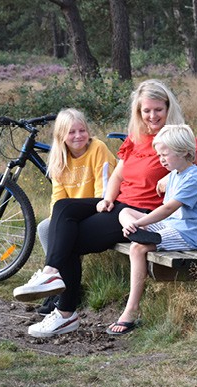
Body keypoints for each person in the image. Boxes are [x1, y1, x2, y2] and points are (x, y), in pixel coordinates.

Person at [12, 79, 197, 338]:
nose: (152, 115)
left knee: (70, 239)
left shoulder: (176, 140)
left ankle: (66, 313)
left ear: (168, 108)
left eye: (158, 109)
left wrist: (171, 177)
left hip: (143, 213)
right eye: (146, 110)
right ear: (139, 112)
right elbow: (118, 176)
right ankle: (50, 275)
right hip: (120, 205)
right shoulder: (136, 139)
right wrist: (108, 198)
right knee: (64, 207)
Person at [106, 124, 197, 335]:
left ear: (183, 152)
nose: (161, 159)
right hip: (172, 226)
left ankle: (132, 309)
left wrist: (140, 224)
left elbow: (168, 209)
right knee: (124, 212)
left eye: (165, 154)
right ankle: (140, 232)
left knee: (137, 248)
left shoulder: (193, 178)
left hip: (187, 235)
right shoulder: (175, 174)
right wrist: (134, 221)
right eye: (159, 154)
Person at [35, 108, 117, 316]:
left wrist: (68, 221)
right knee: (45, 227)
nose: (78, 136)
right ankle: (60, 286)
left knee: (63, 212)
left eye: (82, 130)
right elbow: (57, 198)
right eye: (71, 132)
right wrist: (60, 225)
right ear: (61, 136)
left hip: (102, 206)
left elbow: (105, 191)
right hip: (72, 214)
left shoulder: (98, 149)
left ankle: (54, 281)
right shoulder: (59, 159)